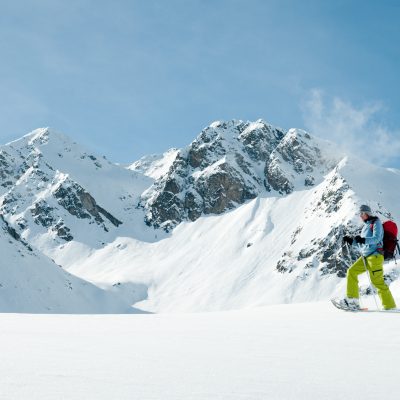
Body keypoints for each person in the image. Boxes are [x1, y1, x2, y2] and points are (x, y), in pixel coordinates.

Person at [340, 204, 396, 310]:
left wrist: (363, 240)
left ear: (367, 213)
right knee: (351, 272)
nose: (360, 216)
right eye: (359, 214)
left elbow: (377, 238)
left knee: (377, 282)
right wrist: (352, 241)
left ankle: (390, 306)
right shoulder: (366, 226)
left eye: (362, 213)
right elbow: (362, 245)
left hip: (375, 257)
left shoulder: (376, 222)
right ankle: (353, 301)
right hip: (365, 257)